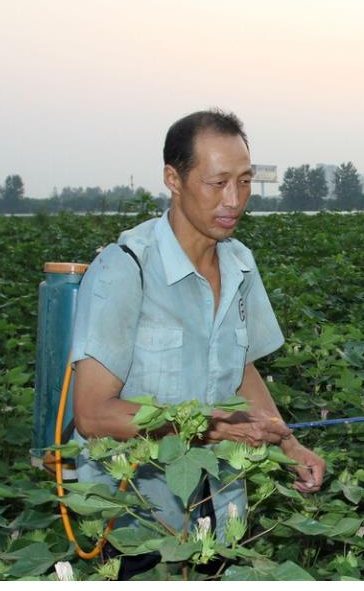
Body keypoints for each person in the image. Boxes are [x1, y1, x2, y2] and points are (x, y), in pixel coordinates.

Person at [69, 109, 325, 577]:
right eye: (217, 182)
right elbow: (91, 414)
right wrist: (205, 427)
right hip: (136, 514)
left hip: (219, 504)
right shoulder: (126, 269)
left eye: (245, 182)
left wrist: (288, 445)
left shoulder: (240, 264)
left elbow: (240, 368)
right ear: (174, 178)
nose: (234, 200)